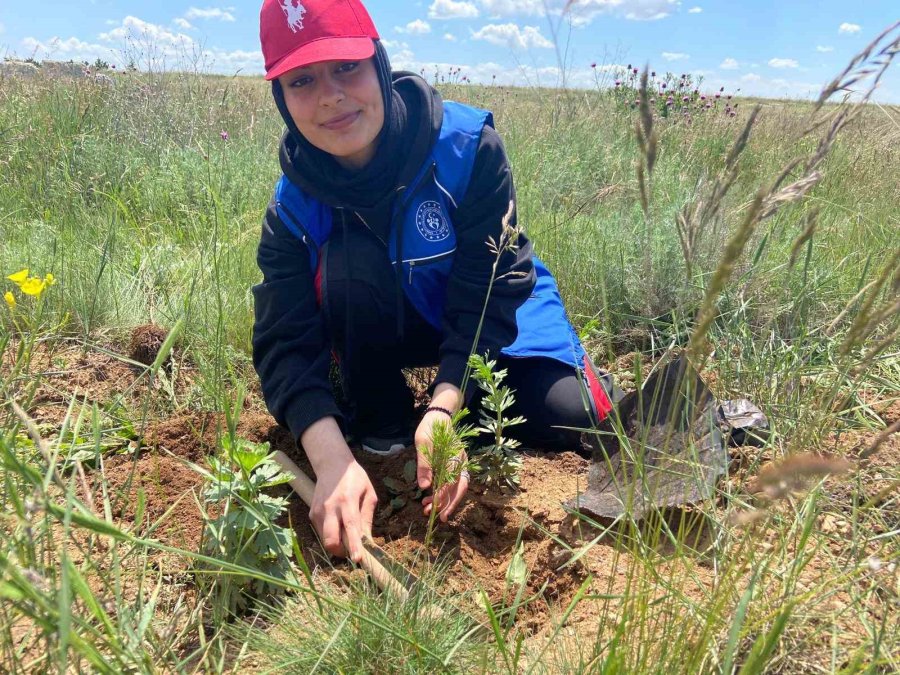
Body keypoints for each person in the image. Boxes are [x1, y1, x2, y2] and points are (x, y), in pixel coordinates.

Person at [253, 0, 614, 564]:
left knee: (576, 414)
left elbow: (490, 285)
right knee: (349, 260)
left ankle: (716, 419)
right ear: (281, 97)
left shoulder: (467, 149)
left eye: (346, 67)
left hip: (485, 313)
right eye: (302, 80)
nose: (330, 96)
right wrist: (330, 460)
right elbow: (284, 340)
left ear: (378, 62)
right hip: (375, 323)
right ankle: (382, 419)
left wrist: (445, 407)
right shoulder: (291, 207)